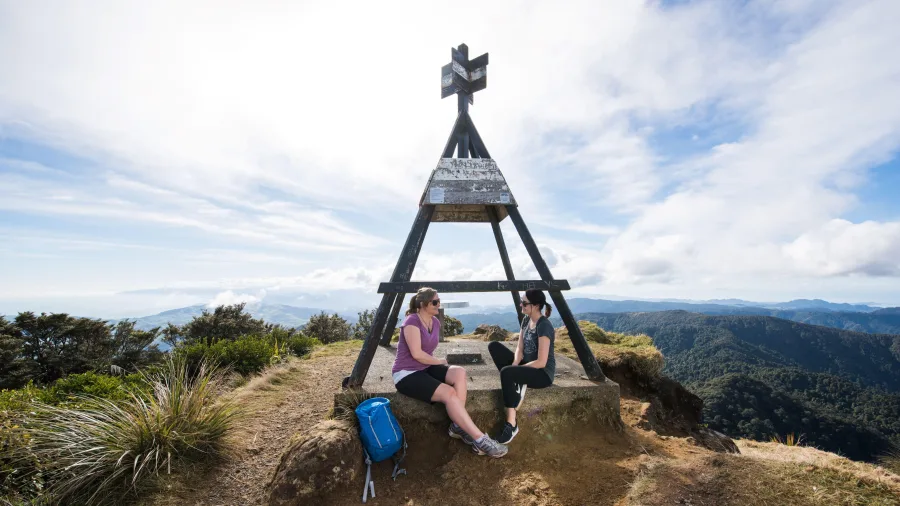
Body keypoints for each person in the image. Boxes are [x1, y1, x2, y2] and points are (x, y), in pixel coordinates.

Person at [392, 287, 508, 458]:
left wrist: (436, 362)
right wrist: (439, 361)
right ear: (423, 304)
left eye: (439, 301)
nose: (439, 304)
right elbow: (417, 354)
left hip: (425, 368)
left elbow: (426, 354)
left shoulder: (435, 322)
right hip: (406, 373)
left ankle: (457, 426)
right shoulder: (411, 321)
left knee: (459, 372)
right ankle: (481, 440)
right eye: (435, 302)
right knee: (449, 393)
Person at [488, 288, 557, 444]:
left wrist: (513, 371)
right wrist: (514, 366)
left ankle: (512, 424)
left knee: (506, 373)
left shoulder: (544, 326)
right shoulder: (526, 320)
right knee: (494, 346)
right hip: (526, 365)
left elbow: (541, 362)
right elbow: (519, 348)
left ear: (536, 305)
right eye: (521, 302)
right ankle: (517, 382)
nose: (521, 305)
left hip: (542, 374)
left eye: (524, 303)